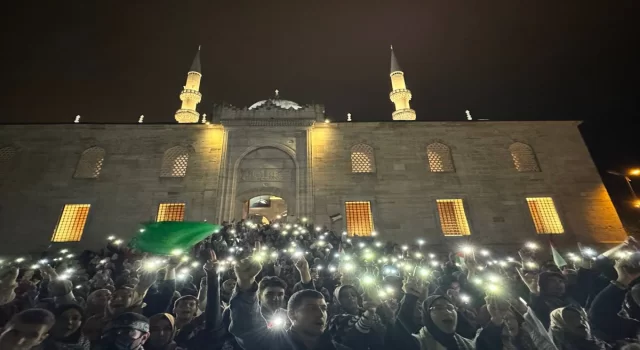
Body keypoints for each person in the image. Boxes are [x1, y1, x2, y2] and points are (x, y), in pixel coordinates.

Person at [230, 255, 350, 350]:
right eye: (311, 309)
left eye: (323, 308)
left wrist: (305, 273)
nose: (320, 314)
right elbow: (247, 329)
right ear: (292, 314)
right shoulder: (272, 345)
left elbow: (309, 297)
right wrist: (245, 285)